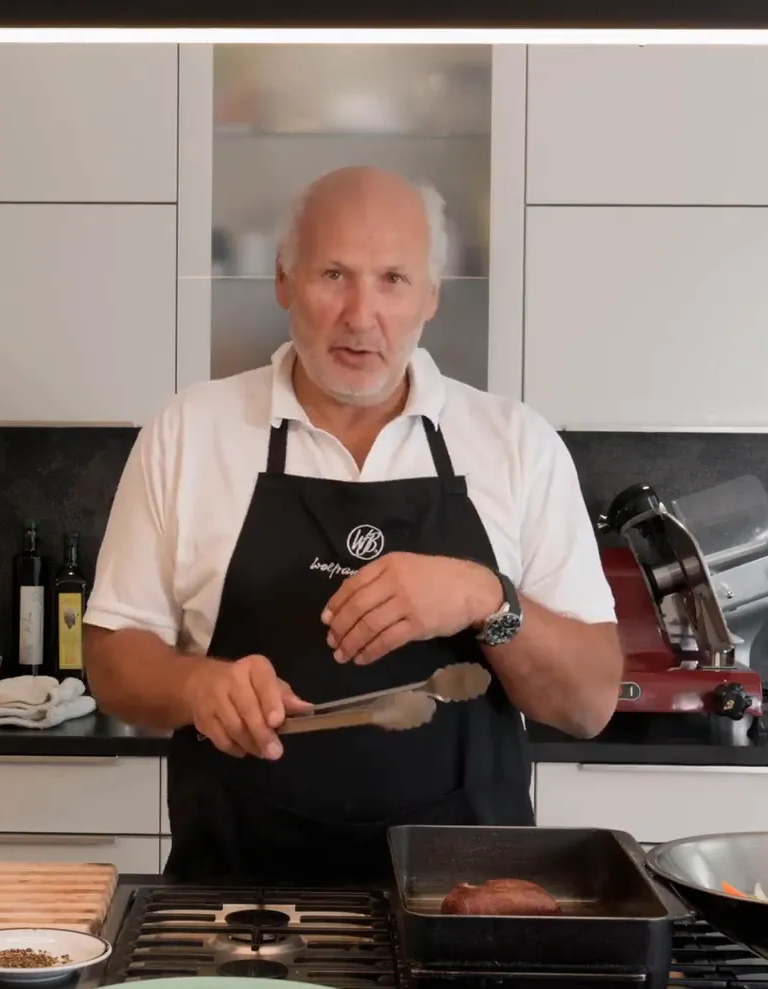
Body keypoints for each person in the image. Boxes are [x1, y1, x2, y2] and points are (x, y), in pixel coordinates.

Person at [82, 165, 622, 885]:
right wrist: (196, 688)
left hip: (461, 906)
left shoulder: (517, 445)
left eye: (393, 279)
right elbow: (114, 660)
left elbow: (588, 704)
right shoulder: (190, 432)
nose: (361, 314)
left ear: (431, 295)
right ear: (283, 281)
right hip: (239, 903)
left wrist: (486, 598)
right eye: (333, 274)